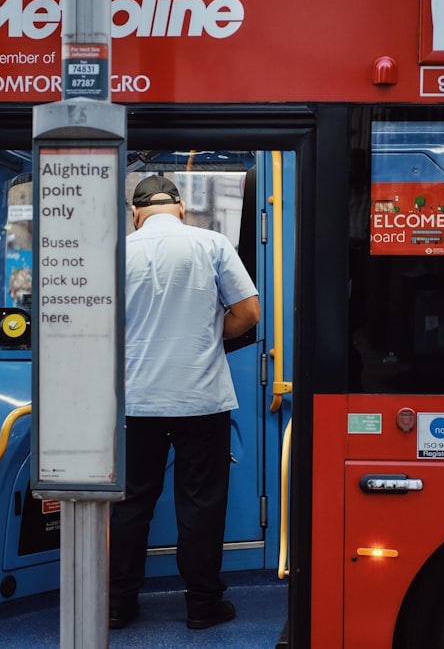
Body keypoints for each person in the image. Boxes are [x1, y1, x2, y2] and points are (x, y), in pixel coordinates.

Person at [110, 174, 261, 631]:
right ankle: (202, 604)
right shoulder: (211, 243)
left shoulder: (118, 251)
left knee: (131, 502)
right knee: (200, 503)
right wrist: (210, 336)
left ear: (135, 213)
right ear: (179, 208)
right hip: (201, 399)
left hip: (135, 401)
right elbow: (249, 313)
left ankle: (117, 603)